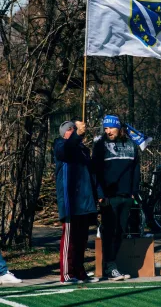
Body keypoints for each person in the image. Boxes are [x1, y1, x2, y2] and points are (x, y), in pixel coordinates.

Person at [54, 119, 103, 284]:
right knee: (69, 238)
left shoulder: (83, 150)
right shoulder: (60, 145)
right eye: (72, 130)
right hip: (70, 201)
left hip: (85, 201)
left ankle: (80, 272)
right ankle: (66, 274)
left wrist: (99, 194)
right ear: (66, 132)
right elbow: (66, 151)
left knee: (82, 239)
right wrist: (77, 135)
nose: (75, 132)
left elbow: (92, 174)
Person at [92, 114, 140, 281]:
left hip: (126, 195)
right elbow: (95, 172)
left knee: (120, 231)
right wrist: (99, 195)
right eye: (105, 128)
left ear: (119, 128)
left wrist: (134, 191)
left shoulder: (131, 145)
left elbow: (136, 169)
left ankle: (111, 266)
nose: (108, 131)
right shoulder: (100, 146)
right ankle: (110, 266)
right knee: (109, 231)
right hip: (108, 197)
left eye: (111, 127)